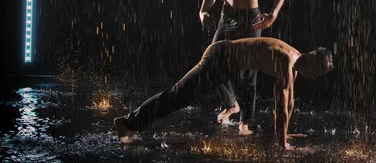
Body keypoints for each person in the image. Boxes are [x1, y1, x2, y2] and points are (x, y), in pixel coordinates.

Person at [114, 37, 334, 149]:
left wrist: (283, 136)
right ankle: (127, 122)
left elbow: (289, 104)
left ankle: (132, 123)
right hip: (220, 56)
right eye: (318, 71)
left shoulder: (293, 65)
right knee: (178, 95)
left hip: (227, 64)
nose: (316, 77)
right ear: (312, 58)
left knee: (180, 97)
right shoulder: (287, 60)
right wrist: (282, 145)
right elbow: (280, 107)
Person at [199, 0, 287, 133]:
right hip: (226, 17)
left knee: (248, 71)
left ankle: (246, 121)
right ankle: (231, 104)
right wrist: (203, 10)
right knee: (210, 63)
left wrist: (273, 14)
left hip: (251, 19)